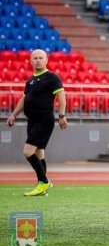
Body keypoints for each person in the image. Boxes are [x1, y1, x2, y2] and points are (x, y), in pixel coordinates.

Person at [6, 49, 69, 196]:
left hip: (44, 120)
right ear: (30, 61)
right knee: (39, 153)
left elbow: (61, 96)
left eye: (41, 58)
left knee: (27, 152)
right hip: (32, 120)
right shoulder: (30, 80)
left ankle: (44, 181)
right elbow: (24, 99)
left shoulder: (52, 77)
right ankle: (43, 188)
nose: (38, 60)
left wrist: (62, 115)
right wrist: (13, 115)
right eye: (35, 58)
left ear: (46, 60)